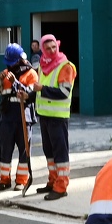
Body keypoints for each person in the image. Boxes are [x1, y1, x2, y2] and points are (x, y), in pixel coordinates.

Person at [31, 35, 76, 200]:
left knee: (60, 153)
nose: (51, 50)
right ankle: (53, 181)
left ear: (57, 46)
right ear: (42, 50)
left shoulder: (66, 66)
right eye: (47, 48)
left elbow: (64, 93)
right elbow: (38, 90)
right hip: (44, 116)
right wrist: (29, 95)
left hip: (58, 117)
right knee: (49, 152)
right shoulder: (43, 65)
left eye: (53, 47)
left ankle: (61, 186)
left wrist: (42, 88)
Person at [0, 44, 36, 191]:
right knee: (5, 149)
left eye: (13, 63)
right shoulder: (5, 73)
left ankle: (21, 181)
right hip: (7, 117)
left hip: (24, 117)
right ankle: (4, 180)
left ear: (21, 60)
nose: (10, 67)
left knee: (24, 150)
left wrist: (15, 83)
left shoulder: (31, 74)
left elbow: (31, 95)